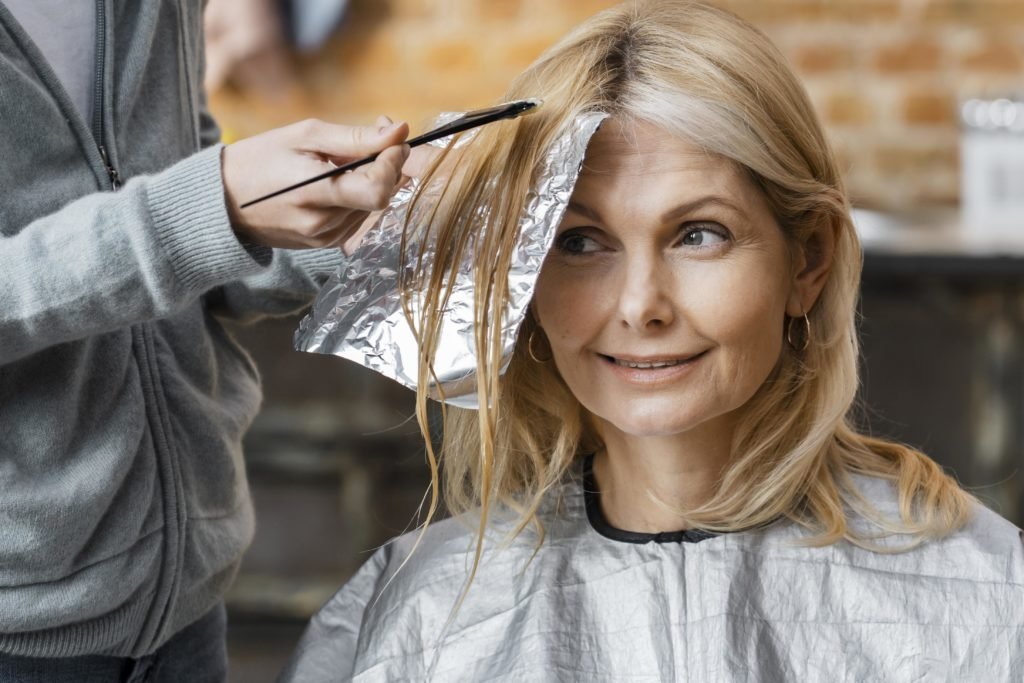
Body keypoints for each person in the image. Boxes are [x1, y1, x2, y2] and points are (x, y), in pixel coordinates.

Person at [280, 1, 1024, 681]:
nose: (640, 306)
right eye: (579, 241)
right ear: (523, 278)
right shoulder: (419, 610)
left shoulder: (985, 591)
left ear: (809, 260)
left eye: (699, 234)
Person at [0, 1, 410, 681]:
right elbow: (176, 218)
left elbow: (180, 243)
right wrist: (211, 204)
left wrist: (352, 229)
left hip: (186, 616)